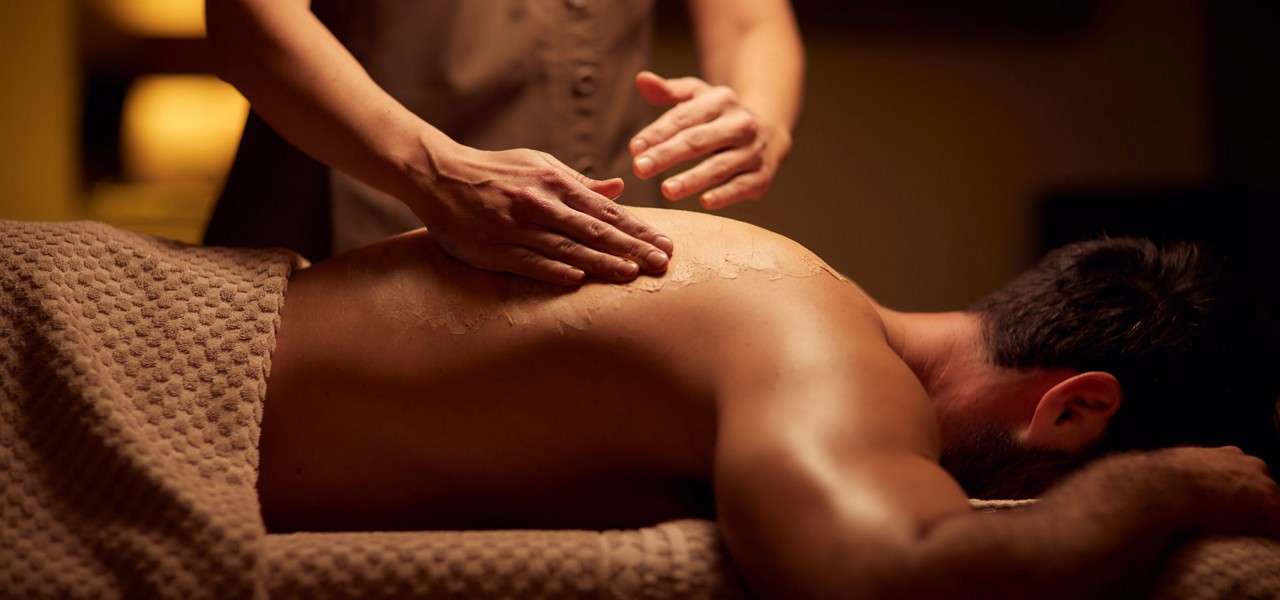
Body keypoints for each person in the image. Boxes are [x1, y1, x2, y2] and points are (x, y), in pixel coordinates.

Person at [259, 207, 1280, 599]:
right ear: (1071, 411)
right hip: (126, 354)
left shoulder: (796, 297)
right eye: (1028, 488)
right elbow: (880, 577)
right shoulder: (823, 348)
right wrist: (1165, 487)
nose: (1003, 498)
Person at [202, 0, 805, 286]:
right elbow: (248, 20)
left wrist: (759, 114)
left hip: (609, 233)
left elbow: (750, 21)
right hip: (344, 234)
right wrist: (434, 173)